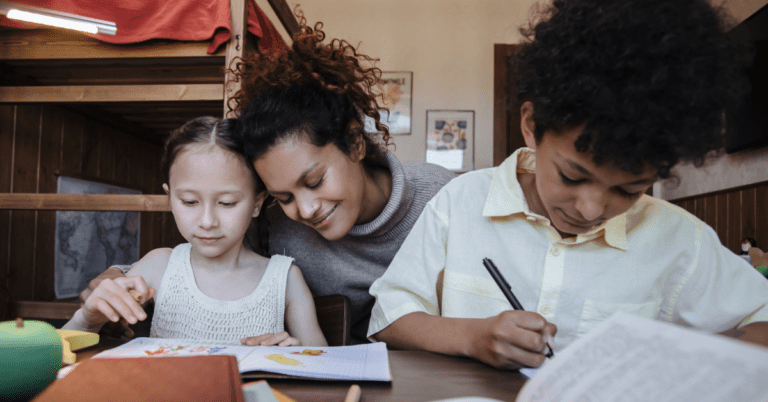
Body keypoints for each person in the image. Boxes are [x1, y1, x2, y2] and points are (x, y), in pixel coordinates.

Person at [367, 0, 768, 369]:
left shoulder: (680, 238)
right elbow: (389, 318)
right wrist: (472, 337)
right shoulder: (461, 201)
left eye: (629, 191)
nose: (591, 209)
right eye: (572, 176)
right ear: (531, 125)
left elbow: (760, 321)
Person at [79, 17, 456, 343]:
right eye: (283, 196)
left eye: (314, 181)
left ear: (356, 143)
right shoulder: (274, 225)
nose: (305, 209)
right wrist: (118, 276)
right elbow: (209, 252)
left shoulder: (445, 198)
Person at [65, 117, 327, 347]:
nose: (207, 221)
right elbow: (60, 354)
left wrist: (294, 352)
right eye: (190, 202)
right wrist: (86, 320)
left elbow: (324, 368)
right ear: (170, 198)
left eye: (227, 203)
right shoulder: (159, 267)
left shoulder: (285, 279)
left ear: (257, 203)